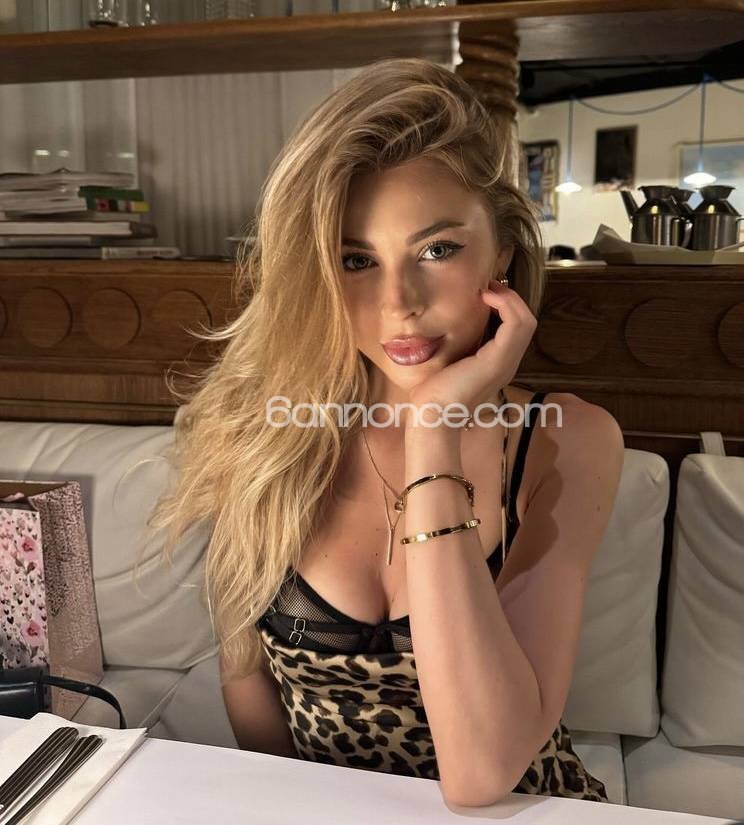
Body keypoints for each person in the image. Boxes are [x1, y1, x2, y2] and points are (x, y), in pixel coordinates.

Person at [147, 58, 624, 808]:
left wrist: (434, 431)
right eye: (356, 259)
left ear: (501, 250)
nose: (398, 302)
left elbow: (483, 771)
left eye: (437, 249)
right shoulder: (260, 432)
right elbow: (247, 685)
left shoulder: (565, 440)